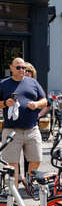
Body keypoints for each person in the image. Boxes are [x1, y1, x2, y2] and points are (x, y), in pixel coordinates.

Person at [0, 57, 47, 186]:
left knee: (36, 159)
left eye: (24, 68)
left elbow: (45, 101)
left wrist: (37, 104)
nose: (22, 70)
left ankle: (28, 183)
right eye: (18, 67)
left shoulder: (32, 82)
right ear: (11, 68)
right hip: (11, 130)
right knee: (12, 163)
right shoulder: (3, 84)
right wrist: (5, 103)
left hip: (32, 129)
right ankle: (14, 196)